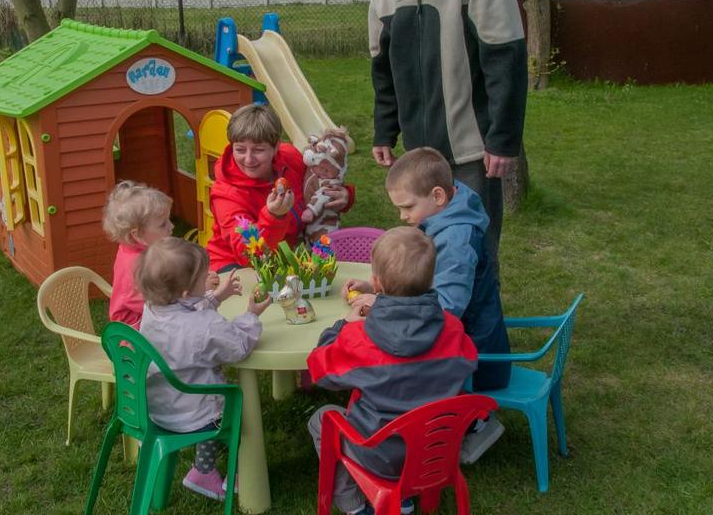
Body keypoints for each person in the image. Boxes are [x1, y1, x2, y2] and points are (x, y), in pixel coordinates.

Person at [364, 0, 528, 263]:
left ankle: (481, 325)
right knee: (427, 258)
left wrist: (502, 139)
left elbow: (506, 60)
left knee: (475, 256)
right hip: (420, 153)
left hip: (473, 151)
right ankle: (439, 323)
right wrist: (384, 130)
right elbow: (383, 70)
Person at [347, 147, 511, 463]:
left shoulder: (457, 240)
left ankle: (475, 421)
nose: (402, 216)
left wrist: (384, 303)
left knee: (399, 358)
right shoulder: (448, 213)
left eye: (407, 206)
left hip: (472, 352)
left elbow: (448, 308)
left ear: (437, 196)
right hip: (467, 337)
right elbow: (423, 282)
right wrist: (379, 287)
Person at [307, 227, 479, 515]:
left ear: (377, 283)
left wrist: (345, 325)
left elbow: (319, 371)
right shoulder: (453, 328)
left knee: (321, 420)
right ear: (430, 278)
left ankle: (354, 506)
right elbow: (467, 362)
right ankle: (403, 499)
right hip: (435, 450)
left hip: (379, 453)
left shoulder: (361, 338)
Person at [137, 237, 273, 500]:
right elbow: (237, 347)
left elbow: (185, 314)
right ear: (187, 292)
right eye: (204, 277)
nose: (210, 277)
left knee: (214, 404)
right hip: (194, 415)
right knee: (240, 416)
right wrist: (251, 316)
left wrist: (216, 296)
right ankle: (230, 473)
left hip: (157, 408)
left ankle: (204, 471)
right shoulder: (206, 325)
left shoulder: (153, 310)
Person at [207, 103, 353, 273]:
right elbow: (250, 255)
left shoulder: (291, 158)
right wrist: (273, 216)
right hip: (233, 266)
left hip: (285, 257)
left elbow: (317, 183)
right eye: (240, 149)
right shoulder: (225, 194)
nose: (248, 159)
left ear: (276, 146)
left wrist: (344, 196)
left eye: (258, 150)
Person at [102, 180, 174, 327]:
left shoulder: (141, 248)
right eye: (163, 224)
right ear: (137, 235)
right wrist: (189, 290)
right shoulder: (136, 266)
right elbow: (157, 305)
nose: (172, 226)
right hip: (134, 335)